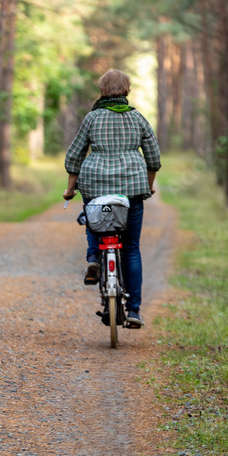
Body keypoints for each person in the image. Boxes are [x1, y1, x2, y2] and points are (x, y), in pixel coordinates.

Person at [63, 69, 161, 328]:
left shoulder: (92, 118)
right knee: (130, 248)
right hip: (131, 188)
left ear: (102, 91)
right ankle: (135, 311)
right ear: (127, 90)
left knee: (94, 220)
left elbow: (75, 155)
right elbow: (153, 157)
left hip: (95, 185)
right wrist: (149, 186)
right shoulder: (137, 118)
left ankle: (94, 258)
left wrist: (70, 188)